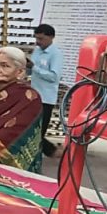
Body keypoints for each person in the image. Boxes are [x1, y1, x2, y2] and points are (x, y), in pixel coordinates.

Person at [30, 24, 64, 158]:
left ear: (51, 37)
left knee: (39, 131)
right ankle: (50, 151)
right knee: (31, 129)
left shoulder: (56, 54)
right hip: (33, 95)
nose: (38, 42)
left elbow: (54, 77)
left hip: (46, 98)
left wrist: (35, 68)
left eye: (41, 39)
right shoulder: (37, 50)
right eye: (36, 38)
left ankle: (51, 151)